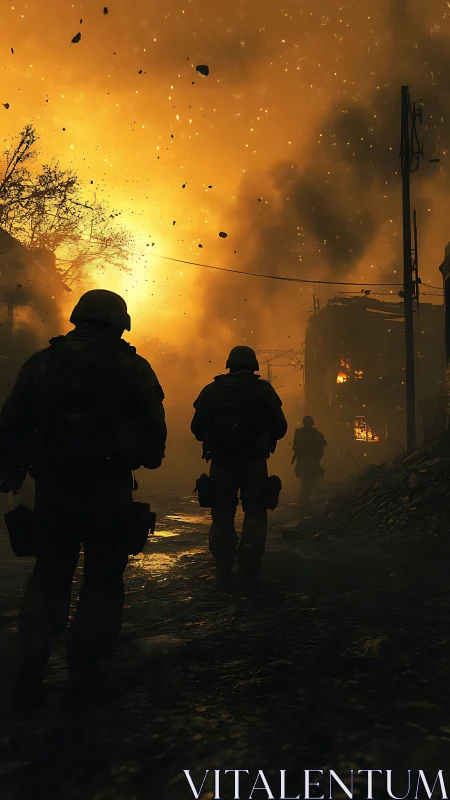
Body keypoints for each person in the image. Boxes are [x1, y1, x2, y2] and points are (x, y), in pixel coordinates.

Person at [0, 289, 167, 710]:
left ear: (79, 318)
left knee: (49, 575)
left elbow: (11, 424)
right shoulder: (132, 366)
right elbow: (154, 434)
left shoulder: (42, 362)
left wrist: (13, 473)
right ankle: (84, 677)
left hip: (53, 490)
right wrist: (140, 454)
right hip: (108, 491)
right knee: (103, 582)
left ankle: (31, 670)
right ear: (118, 324)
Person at [191, 346, 287, 592]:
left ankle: (223, 569)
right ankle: (248, 570)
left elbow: (196, 428)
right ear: (253, 366)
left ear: (229, 365)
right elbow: (280, 428)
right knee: (255, 515)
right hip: (254, 464)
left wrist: (217, 435)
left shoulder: (212, 390)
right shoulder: (263, 390)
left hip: (222, 464)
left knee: (222, 515)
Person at [291, 416, 326, 507]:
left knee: (306, 479)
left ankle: (305, 496)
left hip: (306, 459)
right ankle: (305, 496)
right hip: (308, 459)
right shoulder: (313, 432)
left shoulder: (302, 432)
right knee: (307, 478)